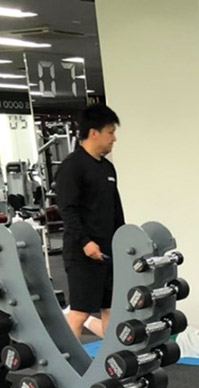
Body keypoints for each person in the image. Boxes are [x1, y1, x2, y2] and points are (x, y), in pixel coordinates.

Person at [54, 104, 125, 341]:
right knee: (80, 313)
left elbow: (116, 211)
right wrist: (85, 242)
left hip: (108, 252)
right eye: (110, 132)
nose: (114, 138)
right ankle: (69, 361)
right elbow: (67, 210)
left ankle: (112, 358)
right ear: (94, 133)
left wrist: (122, 242)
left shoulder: (107, 168)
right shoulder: (72, 167)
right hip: (82, 254)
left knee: (111, 309)